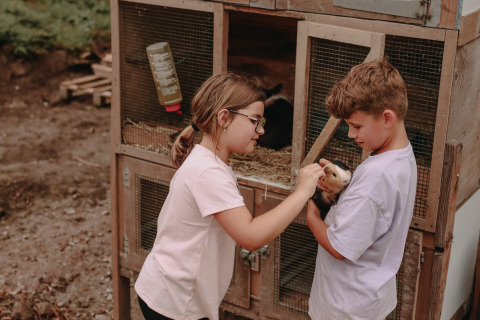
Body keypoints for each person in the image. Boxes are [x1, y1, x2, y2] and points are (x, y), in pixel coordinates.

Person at [135, 72, 323, 320]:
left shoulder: (208, 161)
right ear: (224, 118)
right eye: (255, 120)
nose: (262, 130)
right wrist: (302, 193)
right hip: (176, 303)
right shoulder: (209, 173)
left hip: (168, 289)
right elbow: (251, 236)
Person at [307, 60, 417, 320]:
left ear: (387, 118)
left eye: (356, 126)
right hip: (370, 295)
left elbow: (340, 248)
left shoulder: (375, 178)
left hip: (345, 308)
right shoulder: (400, 155)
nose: (349, 134)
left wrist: (311, 208)